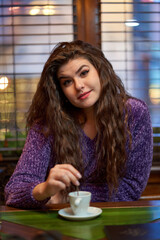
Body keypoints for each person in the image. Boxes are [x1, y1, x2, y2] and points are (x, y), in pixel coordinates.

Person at [5, 40, 153, 209]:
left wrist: (65, 196)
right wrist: (45, 189)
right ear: (60, 90)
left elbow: (131, 188)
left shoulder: (133, 114)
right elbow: (14, 192)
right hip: (59, 225)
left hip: (114, 222)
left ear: (100, 70)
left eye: (83, 73)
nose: (79, 86)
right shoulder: (47, 124)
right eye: (67, 82)